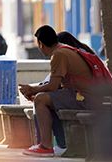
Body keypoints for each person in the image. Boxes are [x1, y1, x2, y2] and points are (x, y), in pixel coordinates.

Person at [19, 25, 103, 157]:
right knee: (43, 98)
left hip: (85, 98)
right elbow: (56, 86)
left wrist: (32, 89)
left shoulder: (58, 54)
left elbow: (52, 86)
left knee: (41, 99)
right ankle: (56, 143)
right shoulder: (65, 49)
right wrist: (35, 91)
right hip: (84, 95)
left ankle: (45, 146)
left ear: (40, 44)